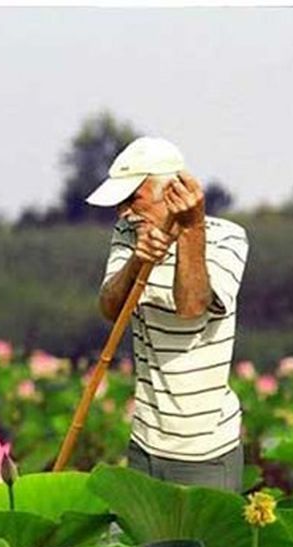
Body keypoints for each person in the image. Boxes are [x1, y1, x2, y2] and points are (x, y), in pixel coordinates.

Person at [91, 137, 249, 492]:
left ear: (174, 192)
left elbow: (193, 308)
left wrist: (191, 230)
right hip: (144, 443)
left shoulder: (228, 239)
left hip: (205, 450)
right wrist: (138, 261)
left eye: (133, 199)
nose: (124, 212)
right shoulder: (128, 234)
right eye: (120, 203)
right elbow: (110, 308)